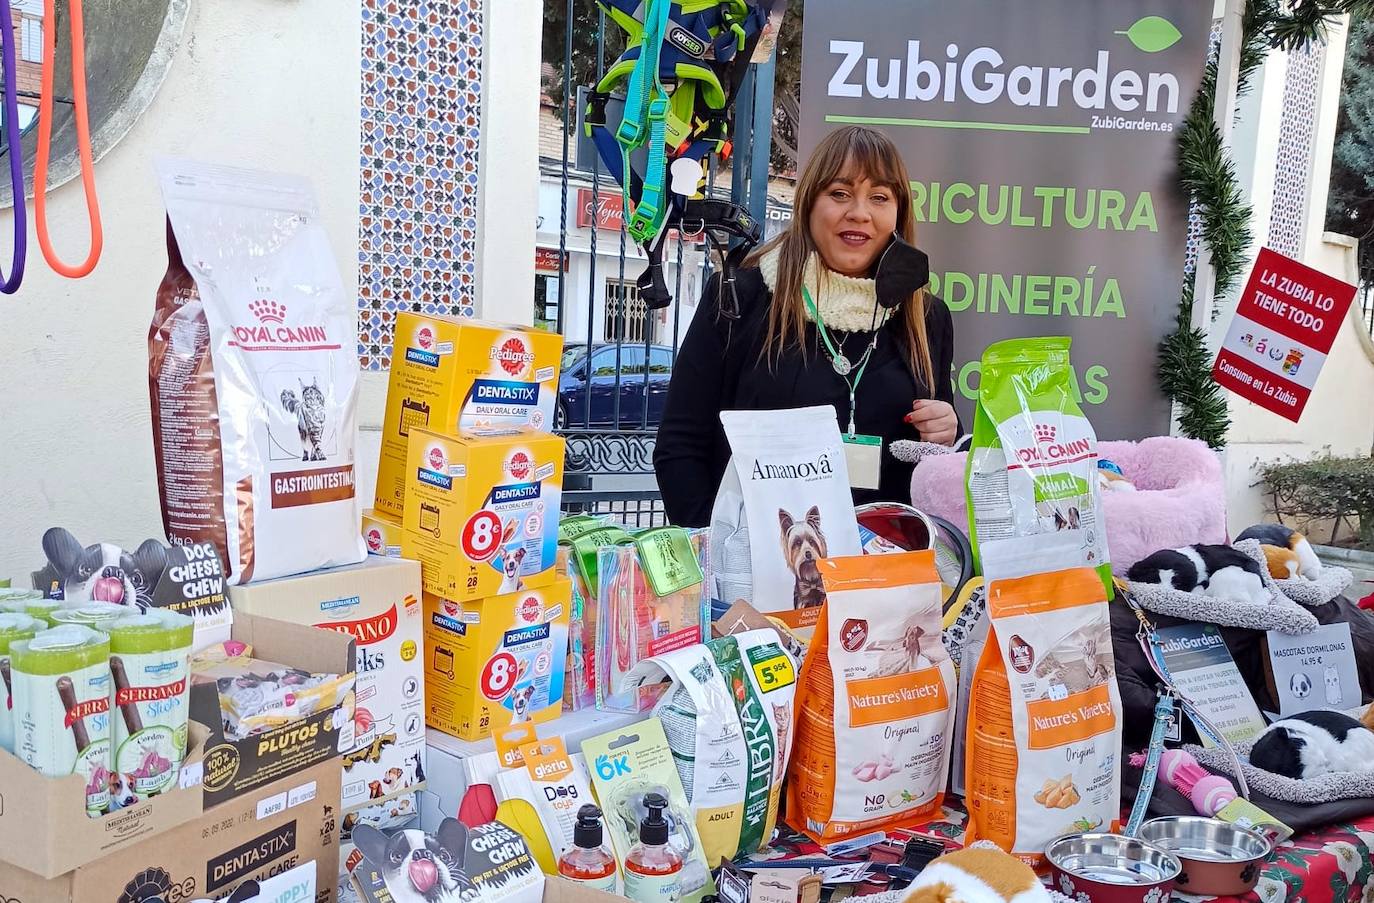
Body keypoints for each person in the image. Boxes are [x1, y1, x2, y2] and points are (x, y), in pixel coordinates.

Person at [654, 125, 961, 527]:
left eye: (880, 197)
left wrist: (946, 433)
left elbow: (938, 470)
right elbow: (680, 446)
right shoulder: (739, 298)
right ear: (808, 204)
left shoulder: (926, 318)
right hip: (758, 577)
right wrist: (715, 557)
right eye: (839, 193)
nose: (860, 212)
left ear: (898, 214)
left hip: (884, 575)